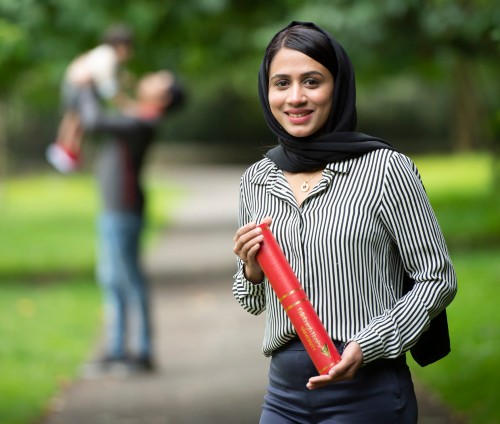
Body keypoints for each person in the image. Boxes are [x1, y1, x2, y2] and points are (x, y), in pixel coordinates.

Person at [232, 21, 457, 423]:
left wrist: (369, 344)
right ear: (267, 92)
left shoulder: (386, 169)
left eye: (312, 81)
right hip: (283, 396)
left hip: (368, 394)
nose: (295, 97)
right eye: (281, 83)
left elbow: (436, 278)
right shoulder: (257, 179)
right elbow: (251, 302)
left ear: (338, 86)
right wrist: (251, 269)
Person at [74, 69, 185, 377]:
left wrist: (85, 86)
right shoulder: (137, 116)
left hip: (123, 209)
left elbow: (94, 120)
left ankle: (143, 353)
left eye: (158, 78)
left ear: (162, 97)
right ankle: (117, 350)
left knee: (129, 279)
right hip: (116, 208)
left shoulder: (143, 122)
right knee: (112, 279)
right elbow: (115, 106)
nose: (148, 78)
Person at [46, 24, 135, 173]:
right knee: (80, 120)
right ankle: (67, 152)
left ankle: (67, 151)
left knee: (74, 119)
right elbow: (108, 87)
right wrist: (125, 105)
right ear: (121, 46)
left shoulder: (102, 53)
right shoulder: (108, 56)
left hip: (74, 82)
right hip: (81, 86)